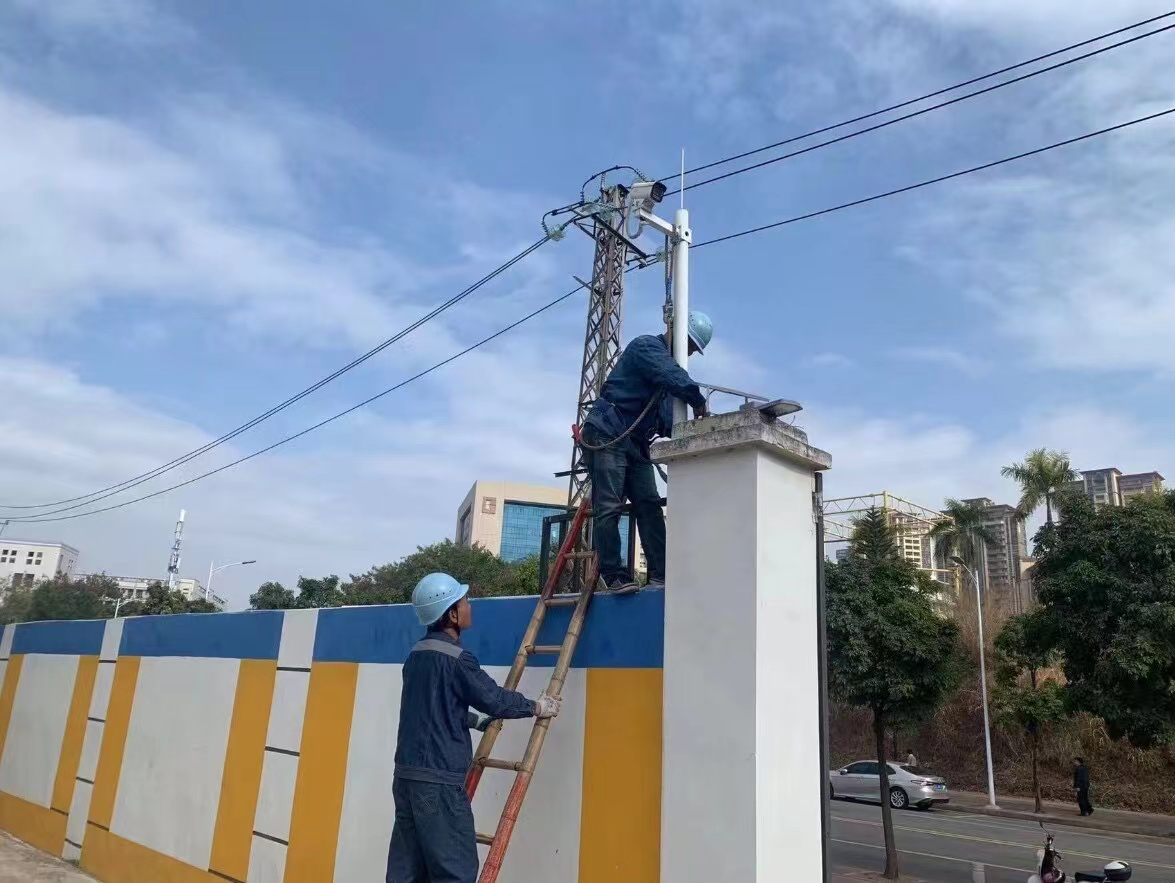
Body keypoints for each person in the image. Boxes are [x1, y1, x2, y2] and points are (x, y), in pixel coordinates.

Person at [387, 573, 561, 883]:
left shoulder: (416, 655)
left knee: (407, 873)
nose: (469, 607)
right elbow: (494, 700)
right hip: (439, 783)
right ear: (452, 615)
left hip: (406, 779)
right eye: (465, 602)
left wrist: (473, 721)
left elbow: (428, 709)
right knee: (455, 873)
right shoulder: (458, 659)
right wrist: (537, 706)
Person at [580, 311, 713, 593]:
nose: (689, 351)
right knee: (609, 506)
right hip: (608, 432)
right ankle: (614, 574)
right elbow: (671, 375)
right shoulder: (647, 347)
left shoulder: (665, 385)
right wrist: (697, 399)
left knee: (649, 503)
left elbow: (666, 422)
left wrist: (698, 432)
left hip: (634, 442)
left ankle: (661, 573)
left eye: (693, 348)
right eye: (689, 343)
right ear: (673, 329)